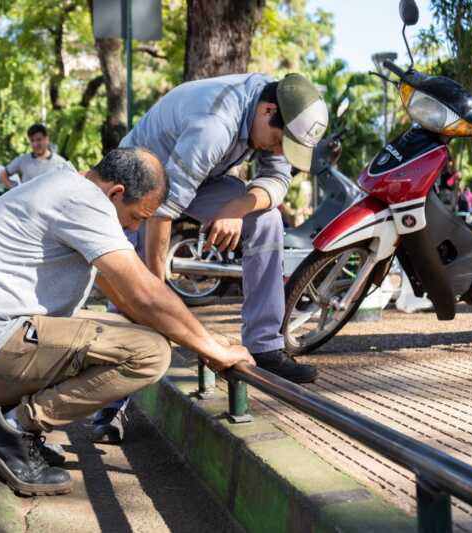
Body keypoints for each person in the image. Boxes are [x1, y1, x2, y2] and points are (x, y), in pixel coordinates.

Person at [0, 147, 255, 496]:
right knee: (150, 353)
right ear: (116, 193)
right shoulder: (83, 201)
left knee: (144, 334)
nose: (135, 228)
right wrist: (213, 350)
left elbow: (125, 297)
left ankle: (7, 419)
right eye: (138, 217)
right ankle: (12, 430)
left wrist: (203, 337)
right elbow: (143, 294)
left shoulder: (65, 190)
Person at [92, 73, 328, 442]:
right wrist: (157, 294)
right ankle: (111, 404)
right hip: (142, 183)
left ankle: (265, 346)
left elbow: (277, 185)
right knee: (133, 289)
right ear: (267, 112)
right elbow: (161, 212)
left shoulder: (281, 104)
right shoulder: (214, 126)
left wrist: (236, 207)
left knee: (266, 221)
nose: (279, 151)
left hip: (201, 179)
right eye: (280, 142)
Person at [0, 124, 72, 188]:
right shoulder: (23, 160)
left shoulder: (60, 162)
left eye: (38, 140)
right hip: (26, 203)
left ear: (47, 139)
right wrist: (15, 189)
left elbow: (72, 181)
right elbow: (3, 174)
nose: (35, 144)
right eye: (32, 140)